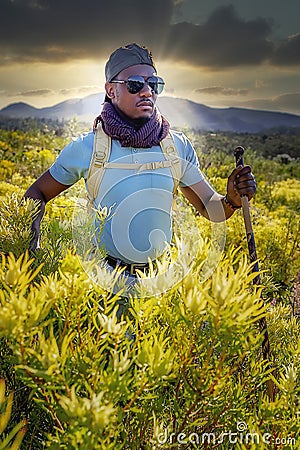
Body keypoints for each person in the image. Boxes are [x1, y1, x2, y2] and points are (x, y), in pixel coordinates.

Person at [24, 43, 256, 293]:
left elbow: (210, 208)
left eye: (154, 84)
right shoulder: (88, 148)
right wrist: (30, 245)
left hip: (161, 285)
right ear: (111, 90)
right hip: (102, 286)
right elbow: (38, 192)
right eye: (135, 84)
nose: (147, 92)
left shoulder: (176, 146)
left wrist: (231, 199)